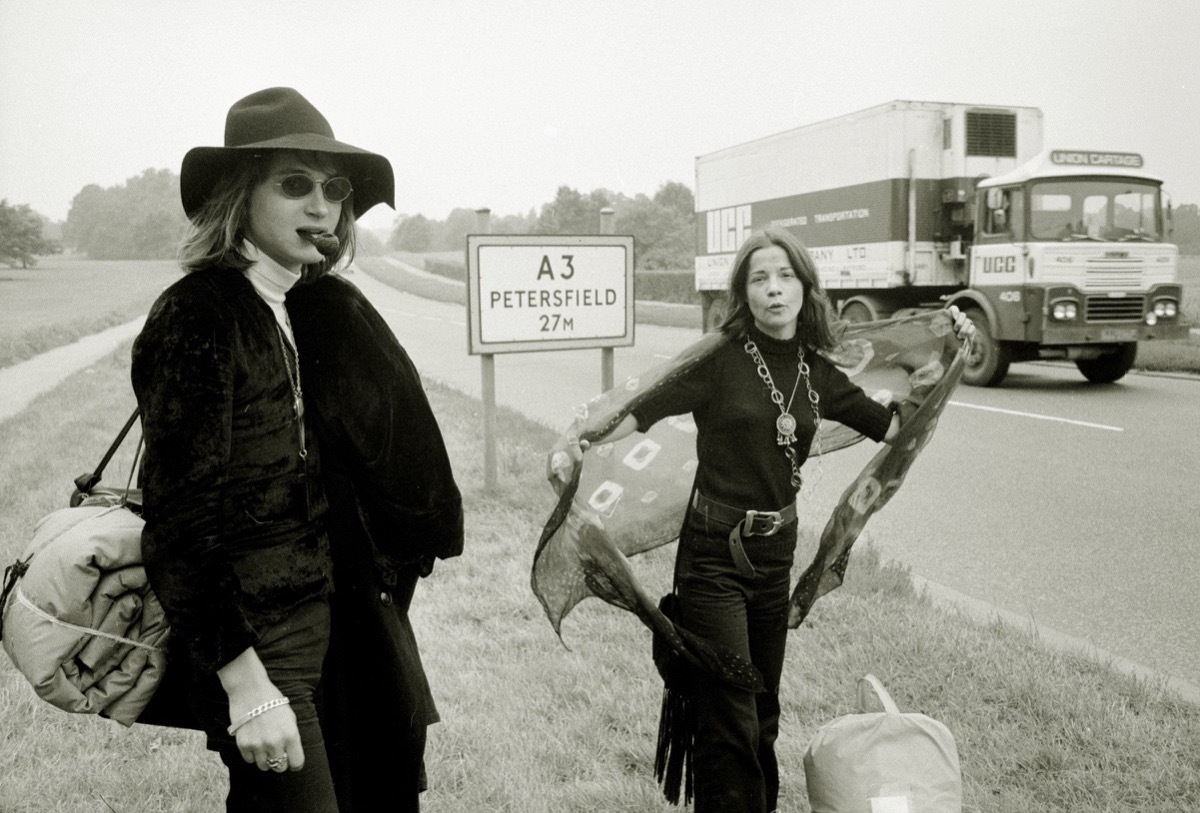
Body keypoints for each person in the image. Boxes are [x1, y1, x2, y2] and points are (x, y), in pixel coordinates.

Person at [547, 226, 973, 813]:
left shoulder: (816, 372)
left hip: (774, 557)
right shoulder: (719, 360)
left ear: (804, 287)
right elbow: (643, 409)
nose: (774, 289)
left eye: (785, 276)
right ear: (744, 293)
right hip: (712, 556)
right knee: (732, 719)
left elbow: (894, 428)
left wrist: (950, 356)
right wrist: (584, 439)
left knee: (763, 715)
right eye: (759, 278)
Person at [132, 87, 462, 812]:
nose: (322, 207)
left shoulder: (302, 306)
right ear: (238, 196)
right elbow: (180, 530)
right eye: (294, 185)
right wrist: (247, 685)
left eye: (334, 189)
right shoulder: (199, 315)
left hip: (340, 628)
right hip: (263, 645)